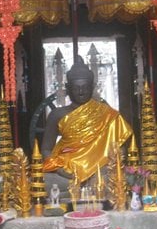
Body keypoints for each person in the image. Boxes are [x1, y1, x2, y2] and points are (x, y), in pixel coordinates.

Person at [41, 56, 132, 184]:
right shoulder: (57, 114)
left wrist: (110, 165)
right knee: (46, 182)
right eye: (76, 87)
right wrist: (58, 168)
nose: (81, 91)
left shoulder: (107, 113)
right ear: (68, 87)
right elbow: (46, 150)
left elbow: (120, 148)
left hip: (100, 170)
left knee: (113, 178)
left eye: (85, 87)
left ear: (93, 86)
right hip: (65, 172)